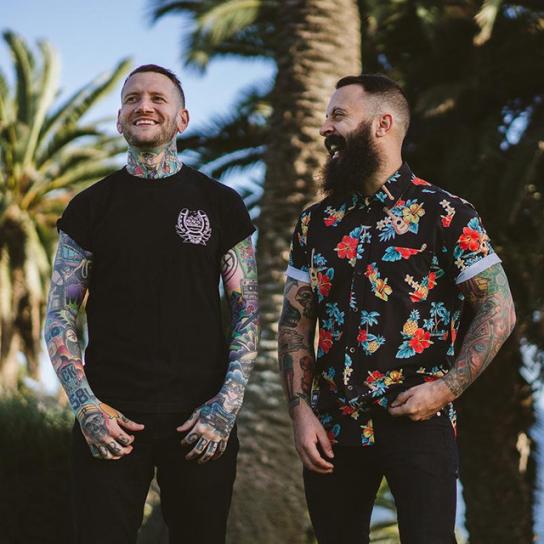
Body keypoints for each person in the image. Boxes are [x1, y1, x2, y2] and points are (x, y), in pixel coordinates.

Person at [278, 74, 516, 544]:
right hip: (332, 427)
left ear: (382, 124)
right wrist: (300, 412)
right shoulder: (314, 223)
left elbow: (499, 307)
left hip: (419, 421)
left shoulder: (447, 213)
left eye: (338, 115)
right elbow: (294, 325)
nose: (325, 128)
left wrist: (447, 389)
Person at [44, 64, 259, 544]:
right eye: (132, 99)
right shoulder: (89, 207)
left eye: (158, 98)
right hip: (110, 420)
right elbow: (60, 316)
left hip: (200, 420)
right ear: (119, 119)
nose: (144, 106)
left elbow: (247, 311)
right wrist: (86, 408)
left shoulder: (221, 203)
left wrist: (225, 407)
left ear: (182, 119)